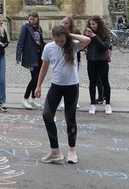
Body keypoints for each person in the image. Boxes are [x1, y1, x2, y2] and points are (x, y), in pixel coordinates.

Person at [34, 25, 91, 164]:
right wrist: (38, 85)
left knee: (70, 118)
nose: (60, 43)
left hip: (72, 86)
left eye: (62, 40)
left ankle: (72, 150)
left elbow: (87, 39)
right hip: (56, 85)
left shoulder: (73, 45)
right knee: (47, 115)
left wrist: (70, 35)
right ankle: (55, 151)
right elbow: (44, 67)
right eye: (57, 40)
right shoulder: (49, 48)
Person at [16, 11, 45, 109]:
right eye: (30, 19)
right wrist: (18, 57)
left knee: (37, 79)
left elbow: (41, 42)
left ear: (37, 19)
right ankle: (25, 98)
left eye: (33, 19)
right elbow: (20, 42)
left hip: (39, 55)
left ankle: (33, 99)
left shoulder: (38, 28)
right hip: (30, 56)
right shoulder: (25, 28)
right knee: (34, 78)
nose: (31, 21)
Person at [84, 15, 112, 115]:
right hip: (91, 60)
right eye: (90, 24)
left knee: (105, 82)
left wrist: (94, 37)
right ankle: (92, 104)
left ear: (98, 24)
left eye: (94, 24)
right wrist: (86, 38)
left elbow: (104, 46)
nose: (92, 26)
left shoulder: (105, 33)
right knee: (92, 82)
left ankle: (107, 104)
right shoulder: (88, 33)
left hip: (102, 60)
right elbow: (83, 45)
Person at [58, 16, 82, 110]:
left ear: (70, 23)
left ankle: (74, 101)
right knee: (63, 79)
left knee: (74, 79)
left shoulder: (75, 32)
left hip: (74, 57)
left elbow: (81, 43)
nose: (64, 25)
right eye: (63, 23)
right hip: (62, 57)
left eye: (66, 23)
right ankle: (63, 100)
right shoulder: (59, 31)